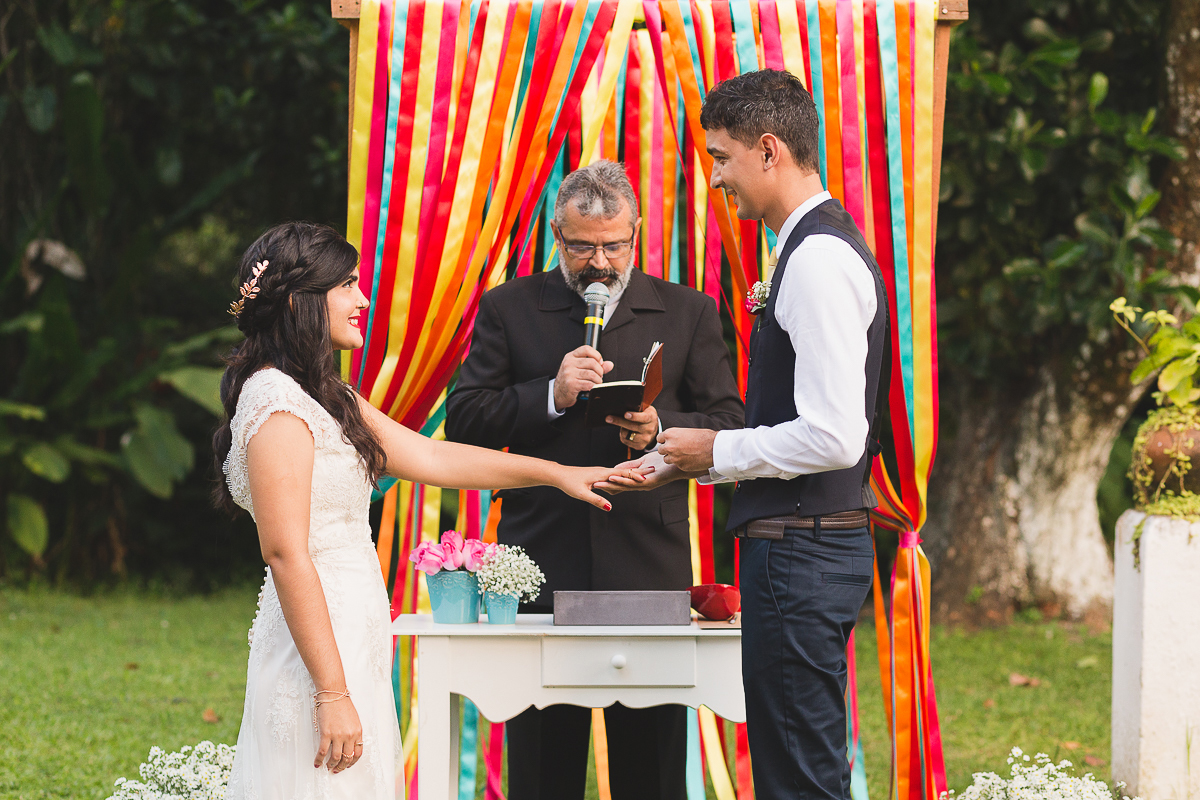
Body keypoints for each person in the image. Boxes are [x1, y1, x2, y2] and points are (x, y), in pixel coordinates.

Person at [212, 222, 641, 800]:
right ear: (299, 302)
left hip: (350, 631)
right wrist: (332, 692)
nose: (364, 300)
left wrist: (555, 474)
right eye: (348, 286)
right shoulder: (278, 404)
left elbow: (435, 457)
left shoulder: (322, 396)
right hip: (315, 652)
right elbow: (286, 553)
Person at [600, 70, 888, 800]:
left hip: (801, 551)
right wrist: (680, 460)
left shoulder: (817, 260)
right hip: (807, 544)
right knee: (801, 767)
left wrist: (717, 451)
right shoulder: (813, 245)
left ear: (769, 151)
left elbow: (833, 435)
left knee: (800, 780)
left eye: (721, 158)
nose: (716, 178)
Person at [445, 161, 744, 800]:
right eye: (582, 246)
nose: (600, 261)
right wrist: (547, 394)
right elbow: (465, 418)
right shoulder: (509, 307)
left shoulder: (687, 310)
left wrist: (663, 427)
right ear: (557, 235)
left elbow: (730, 421)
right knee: (543, 768)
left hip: (648, 563)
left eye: (615, 244)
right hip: (538, 561)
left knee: (653, 771)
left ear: (637, 236)